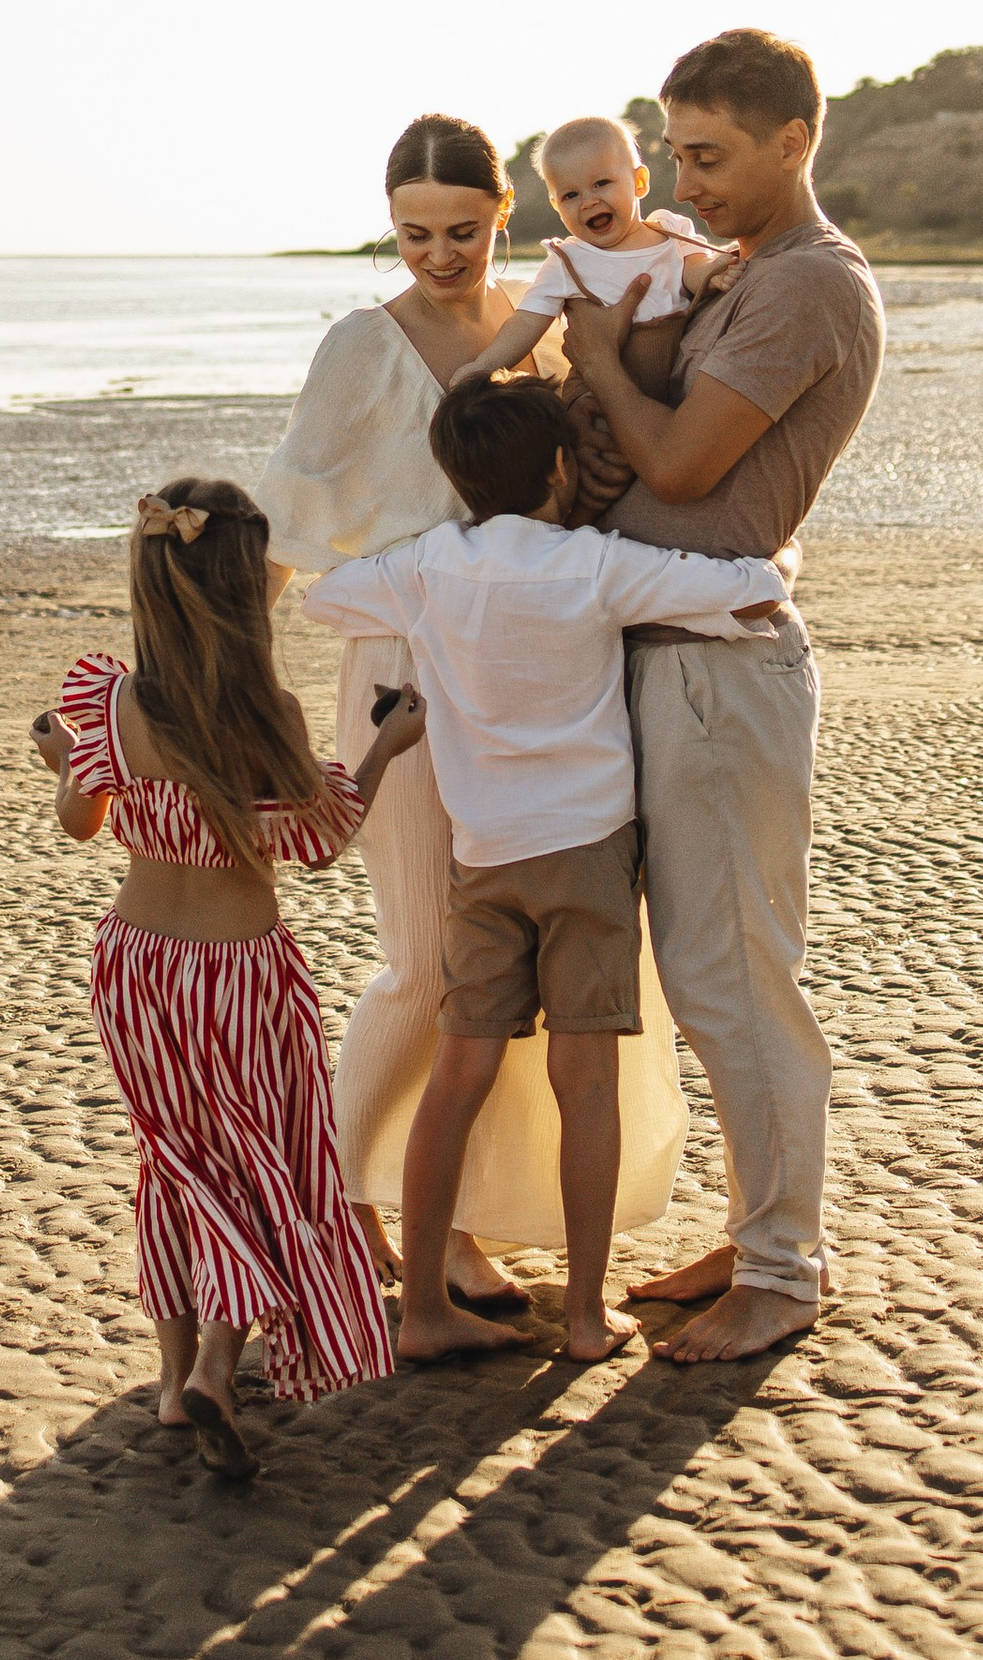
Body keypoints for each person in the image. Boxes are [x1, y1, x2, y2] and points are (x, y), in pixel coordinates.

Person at [255, 111, 690, 1299]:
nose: (438, 255)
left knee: (501, 988)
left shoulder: (536, 328)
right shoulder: (362, 340)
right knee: (426, 968)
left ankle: (450, 1225)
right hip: (402, 665)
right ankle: (326, 1211)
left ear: (506, 213)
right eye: (410, 234)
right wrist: (230, 676)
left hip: (526, 674)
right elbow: (291, 515)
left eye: (460, 229)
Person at [302, 376, 787, 1369]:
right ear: (563, 469)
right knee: (587, 1080)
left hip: (484, 858)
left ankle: (424, 1304)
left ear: (455, 478)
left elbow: (326, 598)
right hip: (589, 857)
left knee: (459, 1073)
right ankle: (580, 1316)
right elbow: (743, 590)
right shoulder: (594, 565)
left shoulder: (431, 567)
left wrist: (413, 574)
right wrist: (774, 561)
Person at [557, 28, 885, 1364]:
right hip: (673, 657)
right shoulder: (742, 270)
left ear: (794, 140)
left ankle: (784, 1270)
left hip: (720, 674)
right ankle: (761, 1227)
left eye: (710, 156)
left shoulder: (811, 286)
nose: (683, 181)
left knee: (737, 976)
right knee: (705, 976)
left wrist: (588, 366)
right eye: (674, 152)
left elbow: (689, 470)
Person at [31, 478, 416, 1480]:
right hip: (241, 975)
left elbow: (82, 824)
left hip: (137, 967)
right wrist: (385, 749)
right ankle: (215, 1357)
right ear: (252, 592)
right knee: (261, 1162)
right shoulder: (267, 713)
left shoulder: (113, 705)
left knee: (179, 1160)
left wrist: (66, 760)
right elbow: (320, 839)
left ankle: (173, 1384)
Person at [451, 114, 721, 386]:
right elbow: (526, 323)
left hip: (681, 380)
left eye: (601, 184)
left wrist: (715, 273)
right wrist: (483, 366)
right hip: (601, 394)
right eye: (570, 195)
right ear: (556, 205)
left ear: (639, 182)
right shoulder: (568, 262)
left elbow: (696, 267)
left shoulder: (669, 229)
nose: (589, 202)